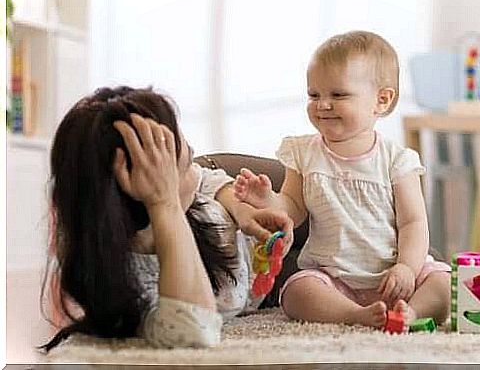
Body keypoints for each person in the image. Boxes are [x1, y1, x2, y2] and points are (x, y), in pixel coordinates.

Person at [40, 86, 294, 352]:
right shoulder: (125, 283)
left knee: (323, 182)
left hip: (238, 187)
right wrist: (164, 204)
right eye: (184, 167)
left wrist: (241, 208)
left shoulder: (191, 189)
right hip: (262, 279)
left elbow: (204, 176)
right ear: (147, 192)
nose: (191, 171)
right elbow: (193, 330)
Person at [233, 30, 451, 329]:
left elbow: (413, 223)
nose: (323, 105)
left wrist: (406, 269)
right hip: (335, 280)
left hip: (395, 279)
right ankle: (353, 315)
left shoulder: (397, 160)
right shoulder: (304, 153)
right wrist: (267, 200)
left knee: (442, 282)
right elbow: (293, 208)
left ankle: (409, 313)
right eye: (314, 95)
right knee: (297, 292)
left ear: (381, 100)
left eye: (338, 95)